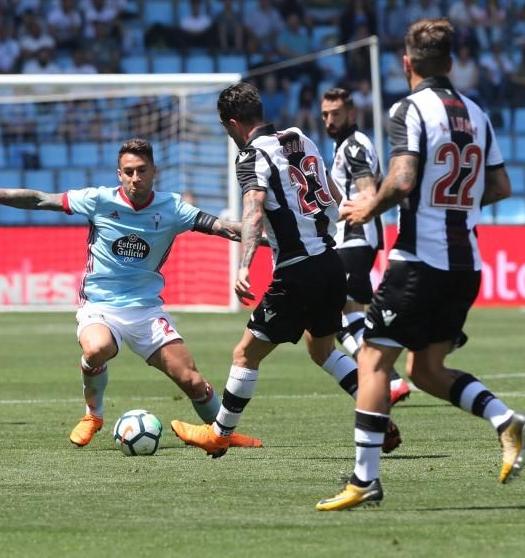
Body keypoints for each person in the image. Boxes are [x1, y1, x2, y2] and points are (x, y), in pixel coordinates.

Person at [317, 19, 525, 511]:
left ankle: (364, 480)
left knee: (373, 361)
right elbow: (501, 188)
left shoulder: (409, 109)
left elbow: (402, 177)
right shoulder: (478, 114)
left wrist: (366, 209)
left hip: (419, 259)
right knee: (427, 369)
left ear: (407, 64)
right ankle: (507, 421)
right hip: (467, 262)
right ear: (452, 62)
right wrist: (458, 206)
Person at [0, 139, 261, 449]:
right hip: (99, 305)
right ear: (119, 174)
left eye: (141, 171)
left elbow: (226, 228)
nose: (135, 178)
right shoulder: (98, 200)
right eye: (128, 172)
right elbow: (39, 200)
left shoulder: (173, 208)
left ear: (155, 171)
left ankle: (222, 435)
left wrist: (275, 239)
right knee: (97, 349)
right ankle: (93, 415)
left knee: (192, 380)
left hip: (146, 310)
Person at [168, 81, 399, 459]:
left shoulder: (251, 155)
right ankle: (379, 417)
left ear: (232, 123)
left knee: (245, 354)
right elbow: (333, 198)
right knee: (322, 349)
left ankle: (219, 433)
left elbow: (254, 209)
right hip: (329, 263)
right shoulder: (301, 139)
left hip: (297, 271)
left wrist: (245, 264)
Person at [320, 87, 413, 405]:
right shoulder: (346, 145)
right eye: (325, 114)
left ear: (352, 114)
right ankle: (389, 378)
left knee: (337, 318)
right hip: (354, 239)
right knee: (350, 317)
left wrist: (335, 208)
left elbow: (370, 195)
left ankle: (387, 377)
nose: (329, 120)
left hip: (354, 238)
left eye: (336, 114)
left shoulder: (354, 146)